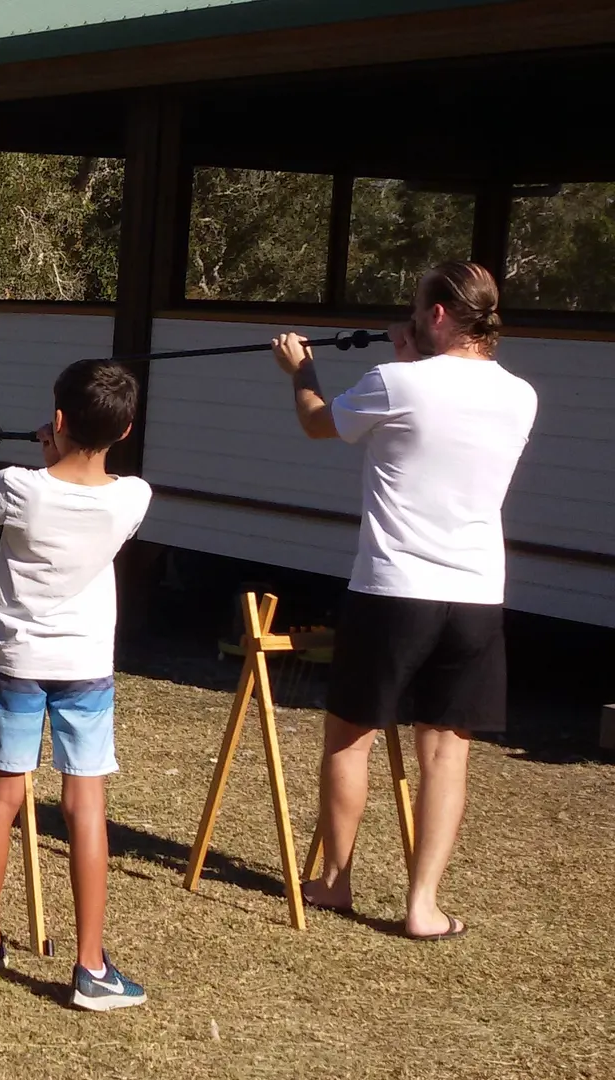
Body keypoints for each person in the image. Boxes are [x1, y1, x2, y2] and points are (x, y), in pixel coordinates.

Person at [272, 261, 537, 940]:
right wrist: (411, 355)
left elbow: (316, 424)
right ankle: (423, 907)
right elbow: (440, 407)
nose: (412, 315)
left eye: (418, 307)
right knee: (447, 753)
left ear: (441, 315)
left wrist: (299, 369)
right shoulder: (520, 395)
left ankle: (334, 880)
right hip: (477, 594)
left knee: (349, 736)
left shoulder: (395, 382)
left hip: (394, 590)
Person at [0, 360, 153, 1012]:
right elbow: (84, 484)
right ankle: (89, 966)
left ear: (56, 420)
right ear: (126, 429)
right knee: (86, 807)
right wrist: (61, 450)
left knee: (3, 795)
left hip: (18, 663)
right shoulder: (133, 497)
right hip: (86, 669)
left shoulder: (17, 487)